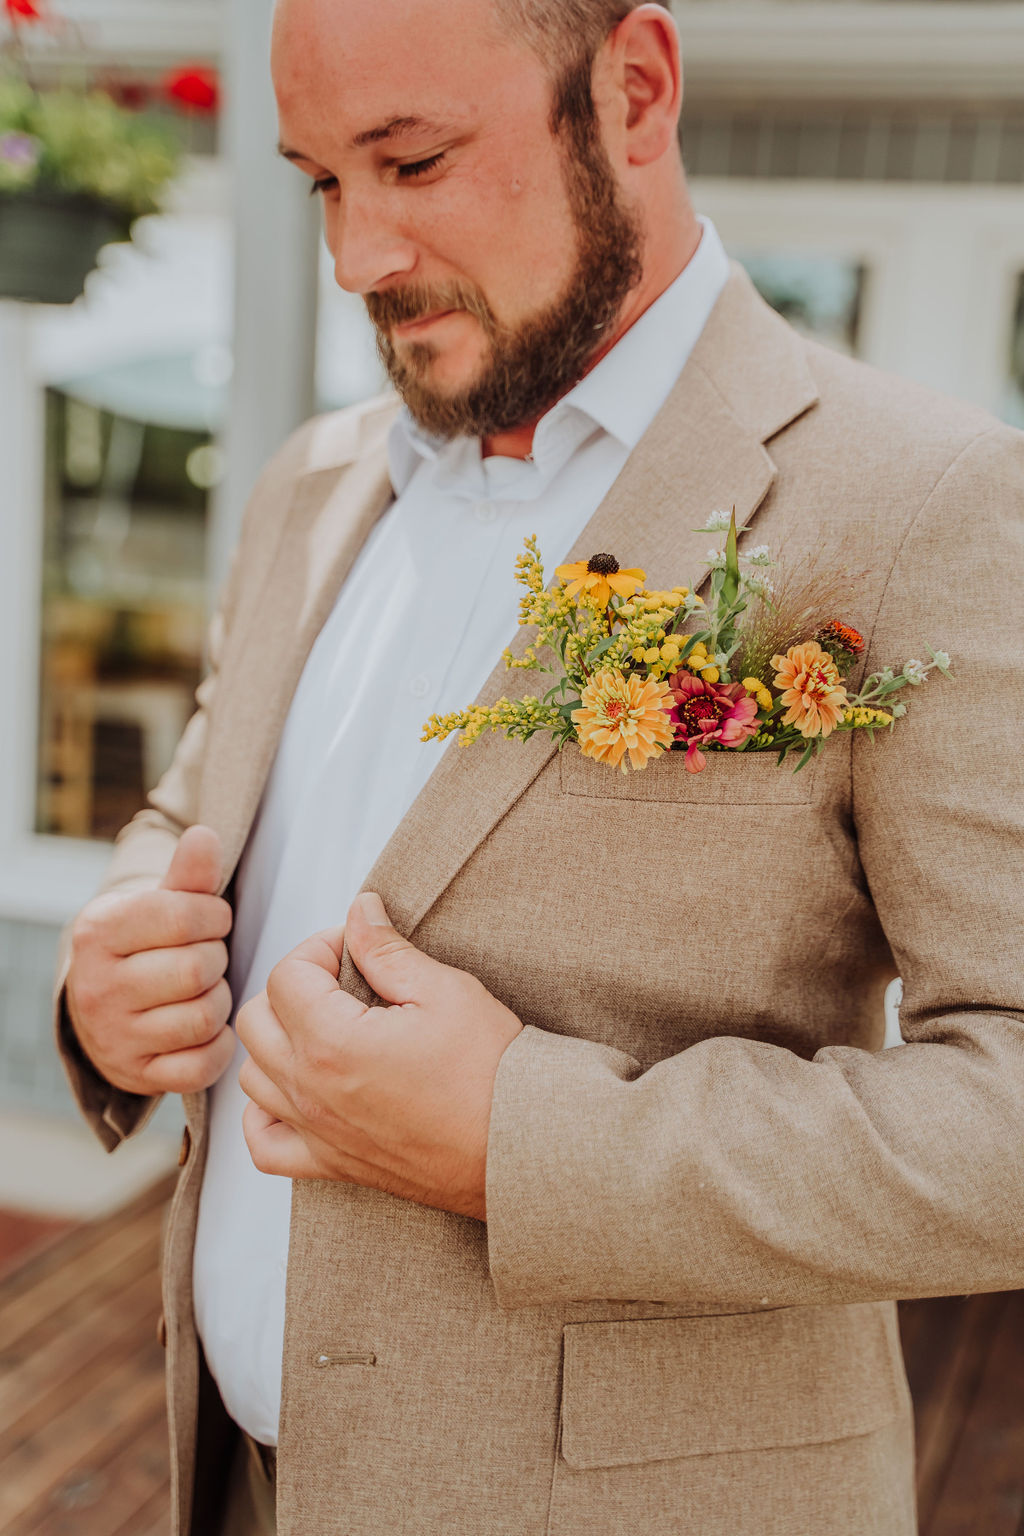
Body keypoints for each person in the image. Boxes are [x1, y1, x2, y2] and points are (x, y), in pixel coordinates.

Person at [55, 1, 1024, 1533]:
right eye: (321, 180)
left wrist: (526, 1139)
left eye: (415, 160)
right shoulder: (311, 483)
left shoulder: (923, 500)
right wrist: (111, 970)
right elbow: (196, 806)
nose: (356, 256)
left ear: (632, 89)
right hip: (230, 1485)